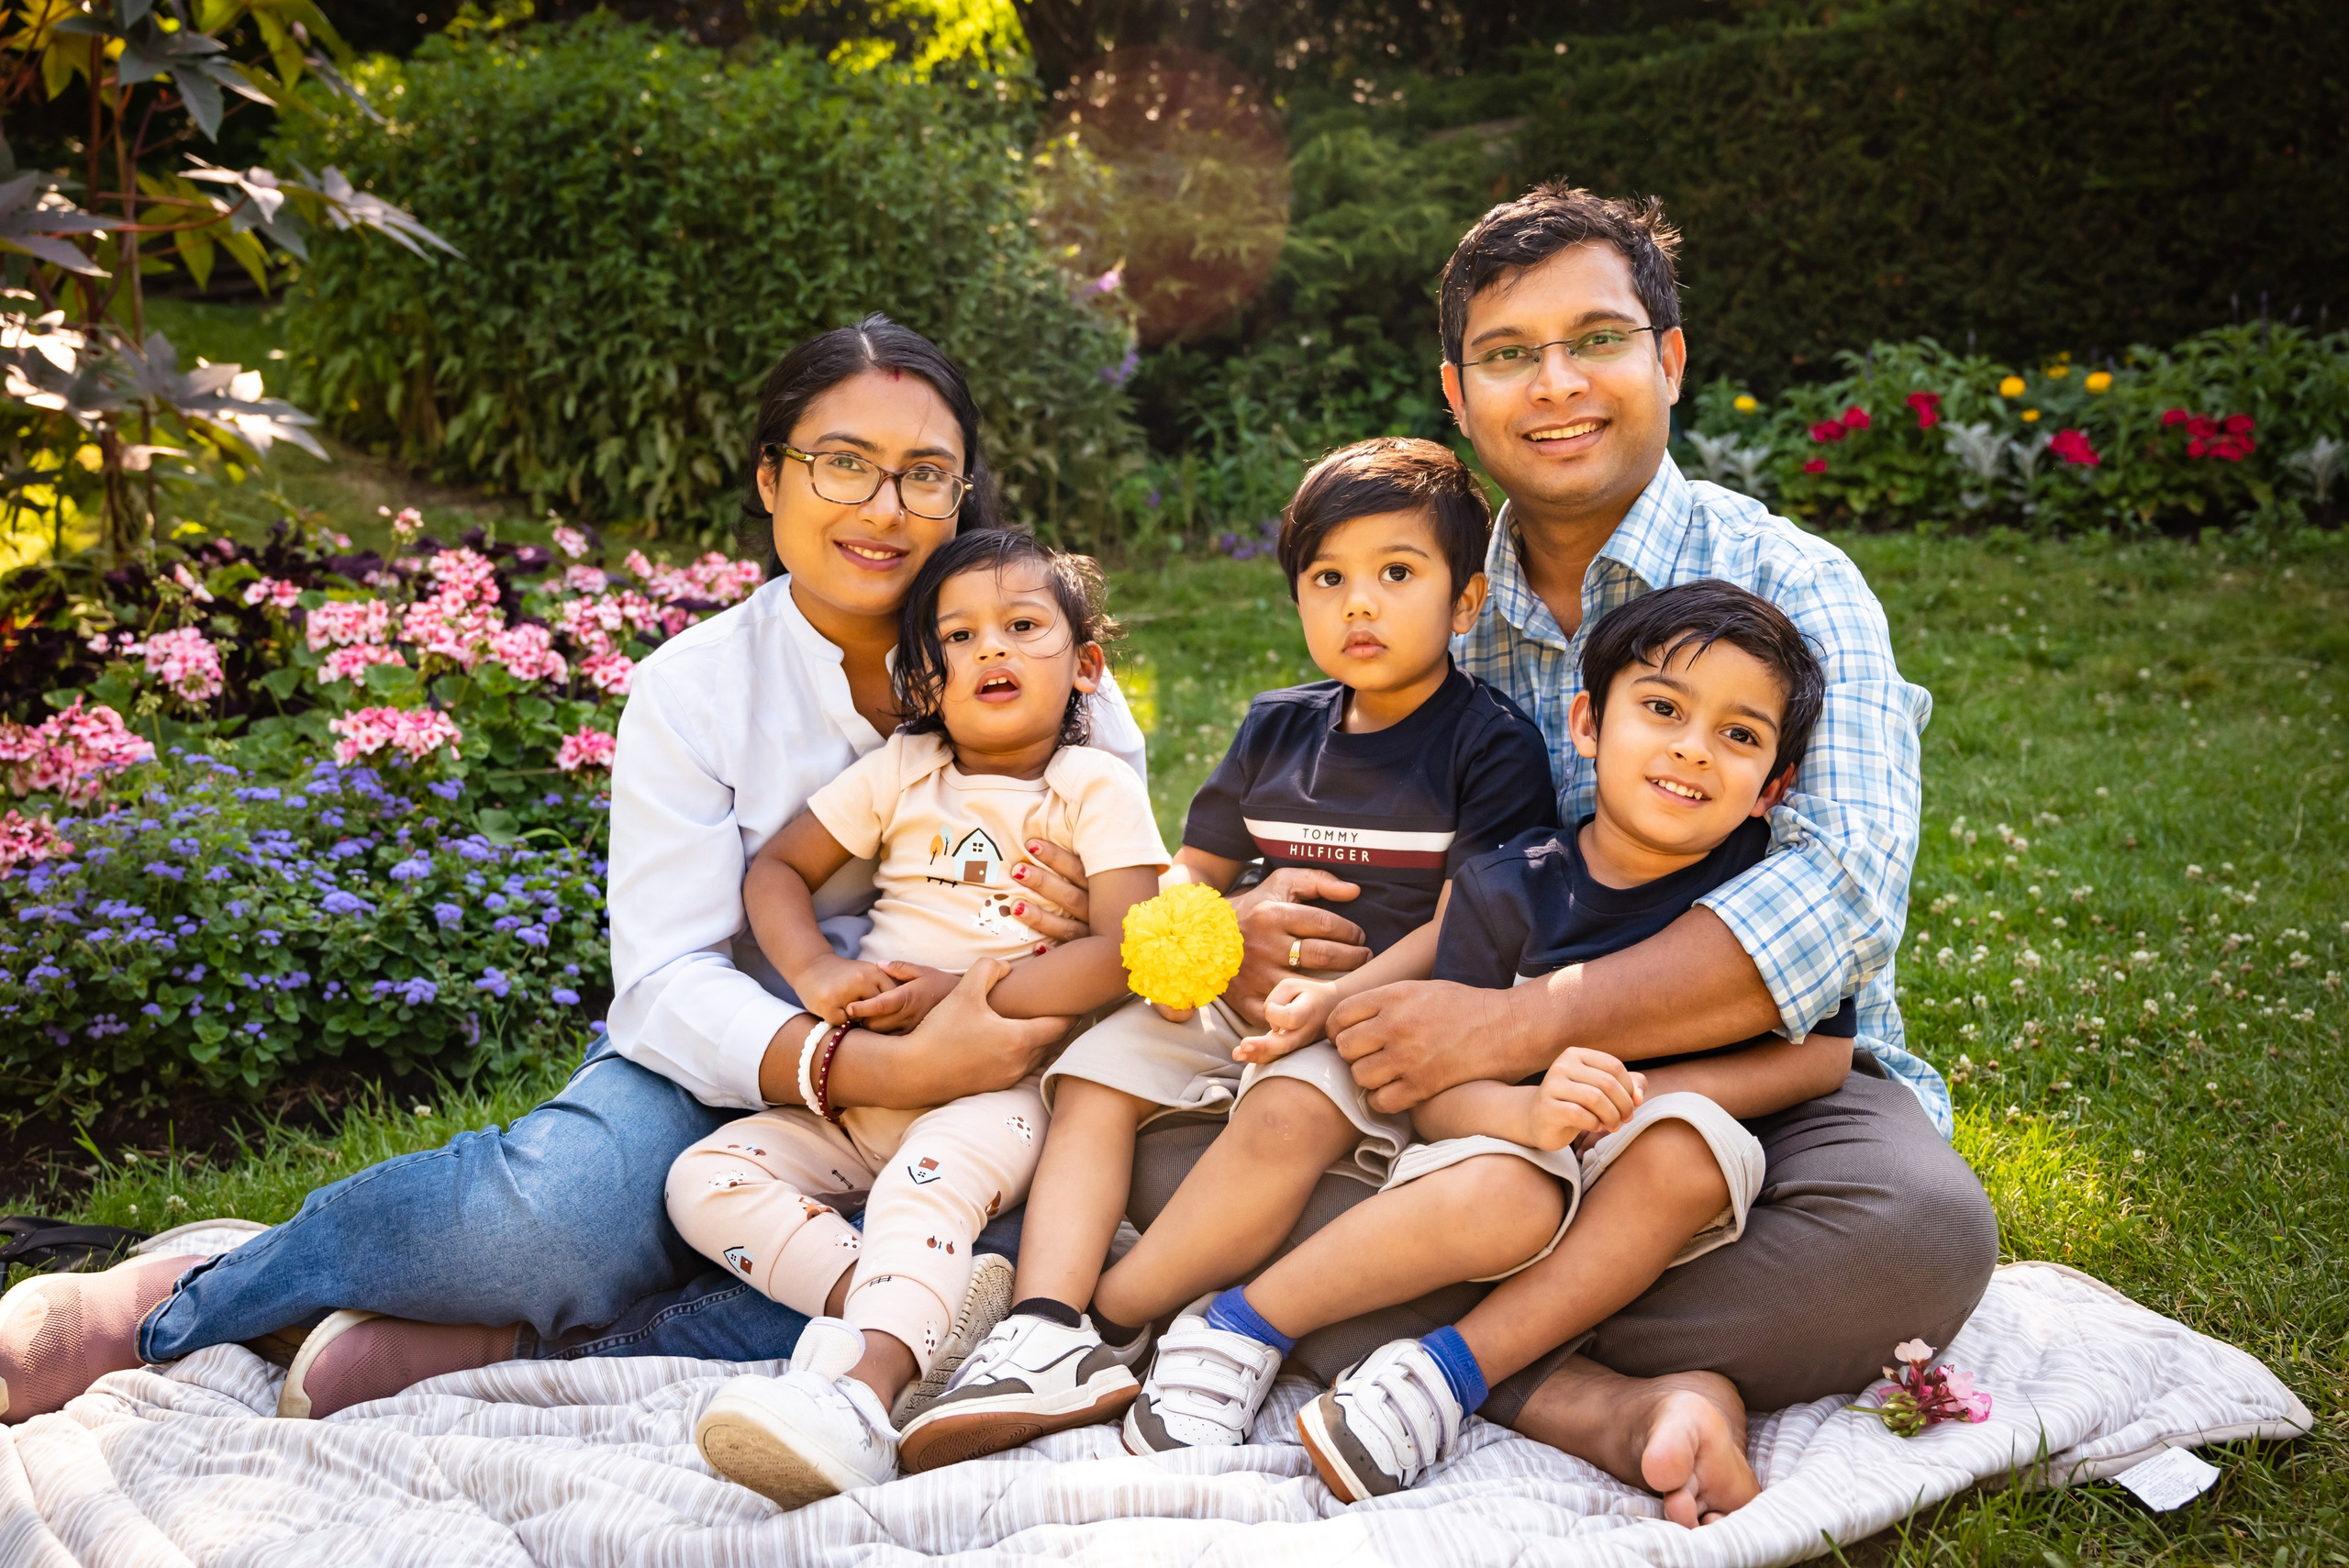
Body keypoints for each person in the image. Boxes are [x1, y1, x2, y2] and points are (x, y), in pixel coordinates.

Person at [1004, 183, 1999, 1524]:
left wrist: (1520, 1022)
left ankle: (1447, 1350)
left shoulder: (1792, 586)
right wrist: (1248, 926)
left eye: (1597, 338)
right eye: (1510, 354)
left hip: (1749, 1082)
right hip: (1445, 1109)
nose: (1558, 384)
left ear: (1671, 358)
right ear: (1459, 394)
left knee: (1913, 1241)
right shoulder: (1436, 600)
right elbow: (1334, 843)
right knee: (1223, 1138)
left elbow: (1840, 899)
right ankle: (1584, 1387)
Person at [0, 317, 1141, 1427]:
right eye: (843, 463)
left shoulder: (1051, 676)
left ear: (963, 492)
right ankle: (200, 1291)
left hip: (996, 1071)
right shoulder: (696, 688)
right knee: (546, 1222)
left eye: (923, 474)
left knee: (1014, 1261)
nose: (884, 509)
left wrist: (1022, 992)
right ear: (770, 478)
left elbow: (1120, 907)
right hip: (732, 1057)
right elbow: (667, 980)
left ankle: (526, 1343)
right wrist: (859, 1063)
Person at [896, 438, 1557, 1472]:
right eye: (1327, 579)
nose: (1360, 605)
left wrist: (1334, 1007)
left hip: (1389, 1008)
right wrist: (1194, 950)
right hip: (1236, 986)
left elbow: (1466, 924)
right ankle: (1043, 1319)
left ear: (1465, 601)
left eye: (1397, 573)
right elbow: (1191, 877)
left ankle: (1123, 1316)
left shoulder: (1489, 743)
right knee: (1094, 1074)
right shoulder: (1278, 726)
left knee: (1290, 1107)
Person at [1289, 580, 1857, 1517]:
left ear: (1775, 787)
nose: (1690, 748)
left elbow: (1821, 1057)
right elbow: (1437, 1095)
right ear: (1588, 722)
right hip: (1505, 1167)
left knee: (1683, 1144)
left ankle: (1450, 1372)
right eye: (1663, 708)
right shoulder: (1502, 887)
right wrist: (1525, 1109)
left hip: (1663, 1181)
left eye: (1740, 735)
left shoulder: (1758, 898)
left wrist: (1641, 1091)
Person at [676, 529, 1170, 1508]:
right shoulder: (904, 769)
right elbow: (777, 868)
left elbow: (1129, 948)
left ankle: (862, 1396)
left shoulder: (1090, 786)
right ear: (924, 677)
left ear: (1085, 666)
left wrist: (962, 995)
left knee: (922, 1187)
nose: (989, 650)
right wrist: (816, 971)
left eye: (1022, 627)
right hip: (870, 1075)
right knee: (704, 1176)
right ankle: (920, 1311)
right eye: (959, 636)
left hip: (1005, 1088)